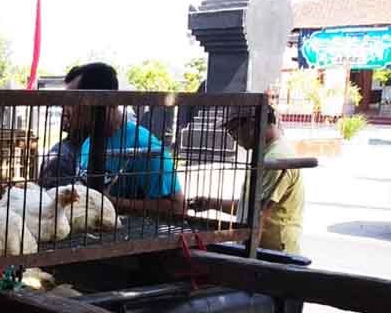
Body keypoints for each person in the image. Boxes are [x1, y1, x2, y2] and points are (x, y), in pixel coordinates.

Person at [45, 62, 186, 217]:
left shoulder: (145, 146)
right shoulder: (89, 142)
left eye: (73, 102)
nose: (64, 110)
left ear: (102, 101)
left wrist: (110, 202)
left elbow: (178, 206)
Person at [190, 105, 304, 254]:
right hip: (263, 250)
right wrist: (212, 203)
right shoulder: (265, 155)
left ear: (251, 123)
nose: (232, 136)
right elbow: (250, 207)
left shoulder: (275, 159)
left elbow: (260, 214)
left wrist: (246, 256)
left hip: (272, 255)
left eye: (233, 129)